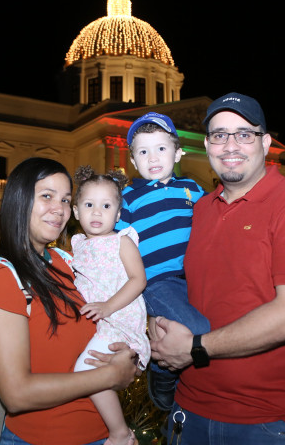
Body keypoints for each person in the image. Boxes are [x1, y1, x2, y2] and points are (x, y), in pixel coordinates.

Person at [149, 93, 285, 444]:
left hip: (265, 422)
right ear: (207, 146)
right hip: (188, 412)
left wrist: (195, 347)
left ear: (265, 143)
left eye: (244, 134)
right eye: (219, 135)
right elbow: (167, 280)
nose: (230, 145)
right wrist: (154, 324)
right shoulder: (198, 210)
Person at [0, 157, 139, 445]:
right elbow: (17, 394)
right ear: (20, 200)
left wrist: (126, 355)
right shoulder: (0, 279)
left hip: (105, 434)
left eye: (66, 200)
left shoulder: (67, 262)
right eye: (47, 196)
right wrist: (111, 375)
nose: (59, 209)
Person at [116, 111, 209, 411]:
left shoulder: (193, 189)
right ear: (133, 160)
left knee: (207, 325)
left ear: (178, 153)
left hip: (194, 278)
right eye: (143, 152)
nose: (153, 157)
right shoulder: (128, 197)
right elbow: (117, 243)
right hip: (156, 282)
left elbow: (216, 220)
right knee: (198, 328)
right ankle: (161, 370)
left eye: (160, 148)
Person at [70, 166, 150, 445]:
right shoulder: (77, 245)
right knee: (87, 370)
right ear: (76, 211)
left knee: (85, 370)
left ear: (117, 214)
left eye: (106, 206)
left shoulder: (122, 241)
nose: (96, 212)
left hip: (119, 321)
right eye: (89, 205)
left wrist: (108, 307)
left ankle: (120, 433)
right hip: (98, 323)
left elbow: (138, 280)